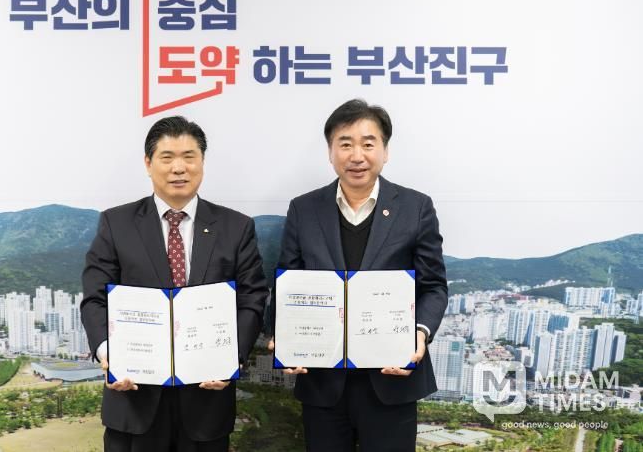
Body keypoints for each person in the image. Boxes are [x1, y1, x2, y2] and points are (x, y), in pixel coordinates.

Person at [81, 116, 268, 452]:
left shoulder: (236, 227)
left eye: (189, 157)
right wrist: (110, 356)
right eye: (167, 157)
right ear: (148, 163)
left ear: (202, 162)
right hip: (133, 399)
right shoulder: (116, 223)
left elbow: (252, 298)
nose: (179, 168)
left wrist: (231, 357)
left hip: (207, 402)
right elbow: (95, 298)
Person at [272, 99, 448, 452]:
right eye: (345, 144)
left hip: (391, 379)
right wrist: (283, 335)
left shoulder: (415, 207)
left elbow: (433, 286)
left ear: (385, 151)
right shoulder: (304, 209)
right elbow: (288, 284)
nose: (357, 156)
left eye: (368, 144)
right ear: (330, 151)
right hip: (323, 380)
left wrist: (419, 333)